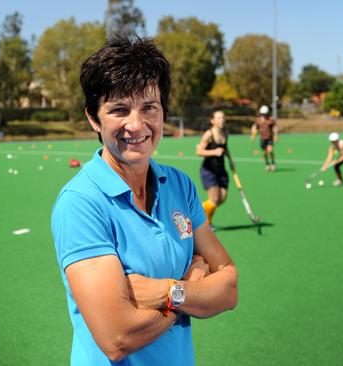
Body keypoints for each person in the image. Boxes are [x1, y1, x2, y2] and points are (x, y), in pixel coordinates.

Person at [51, 36, 238, 366]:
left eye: (149, 107)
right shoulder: (80, 203)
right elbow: (118, 338)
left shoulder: (179, 185)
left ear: (163, 112)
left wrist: (169, 292)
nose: (136, 125)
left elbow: (228, 288)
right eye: (119, 110)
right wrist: (190, 288)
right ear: (94, 119)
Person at [196, 110, 236, 227]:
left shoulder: (225, 133)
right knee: (214, 199)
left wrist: (231, 161)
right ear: (212, 121)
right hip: (209, 171)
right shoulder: (209, 134)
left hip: (221, 171)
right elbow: (199, 151)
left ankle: (203, 214)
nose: (222, 120)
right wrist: (214, 152)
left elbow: (225, 149)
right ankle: (205, 221)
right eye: (219, 118)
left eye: (223, 118)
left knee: (221, 198)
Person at [250, 105, 279, 171]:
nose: (264, 115)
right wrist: (252, 136)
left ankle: (273, 163)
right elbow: (254, 128)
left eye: (265, 114)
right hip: (262, 138)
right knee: (264, 153)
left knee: (270, 150)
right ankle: (267, 164)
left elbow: (275, 127)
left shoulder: (271, 120)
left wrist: (276, 135)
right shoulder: (258, 120)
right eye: (263, 114)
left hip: (269, 138)